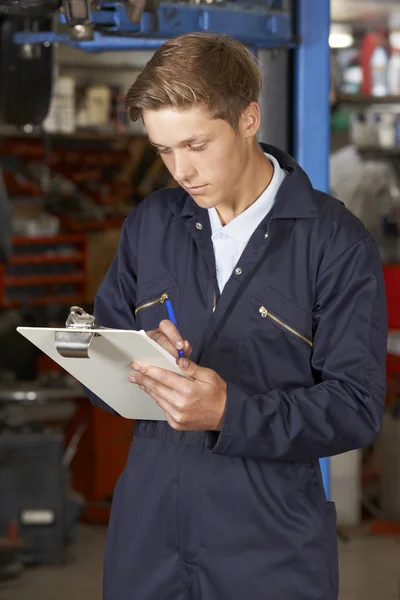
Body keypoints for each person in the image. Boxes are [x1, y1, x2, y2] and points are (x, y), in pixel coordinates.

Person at [89, 33, 388, 600]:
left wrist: (230, 411)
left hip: (268, 540)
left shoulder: (334, 243)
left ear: (248, 118)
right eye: (164, 150)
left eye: (196, 144)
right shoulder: (151, 224)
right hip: (148, 533)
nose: (180, 169)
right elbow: (105, 363)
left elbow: (355, 406)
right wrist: (140, 361)